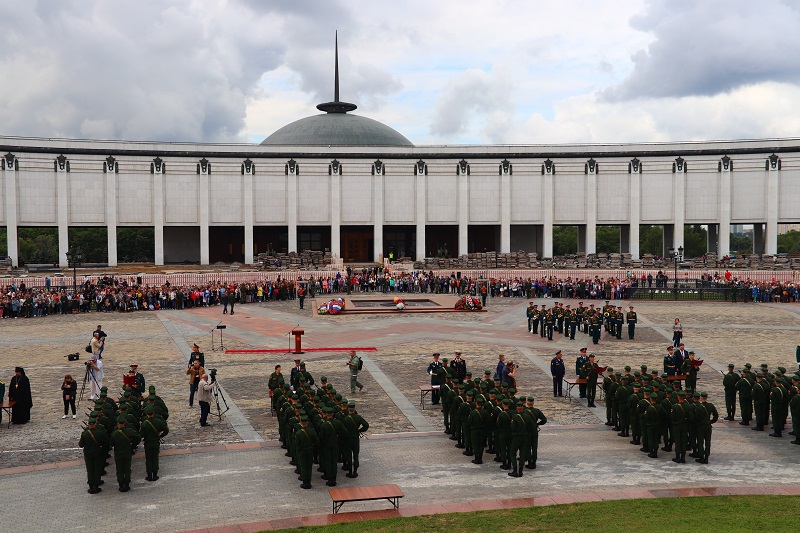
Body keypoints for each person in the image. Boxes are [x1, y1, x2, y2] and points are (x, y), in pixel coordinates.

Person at [79, 414, 109, 494]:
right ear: (95, 424)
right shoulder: (100, 432)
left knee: (90, 470)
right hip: (98, 453)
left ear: (89, 425)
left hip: (88, 454)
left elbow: (81, 444)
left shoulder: (85, 433)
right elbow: (106, 442)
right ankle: (96, 484)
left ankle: (91, 485)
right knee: (97, 469)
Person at [110, 416, 141, 492]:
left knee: (119, 469)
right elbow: (138, 437)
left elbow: (111, 444)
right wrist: (133, 444)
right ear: (125, 423)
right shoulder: (129, 431)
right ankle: (127, 484)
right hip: (127, 452)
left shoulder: (114, 433)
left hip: (118, 453)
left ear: (118, 423)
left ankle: (121, 485)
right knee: (127, 468)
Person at [141, 405, 169, 481]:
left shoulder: (144, 423)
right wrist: (160, 435)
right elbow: (166, 430)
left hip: (148, 442)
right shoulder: (158, 421)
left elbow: (141, 435)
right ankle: (155, 474)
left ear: (147, 413)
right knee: (155, 458)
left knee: (149, 459)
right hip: (156, 442)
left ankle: (149, 475)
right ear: (153, 413)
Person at [694, 392, 718, 464]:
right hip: (708, 426)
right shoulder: (710, 406)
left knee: (700, 442)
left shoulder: (699, 407)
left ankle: (701, 457)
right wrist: (711, 421)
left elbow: (696, 418)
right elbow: (716, 415)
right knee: (708, 442)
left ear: (701, 398)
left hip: (701, 426)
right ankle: (706, 457)